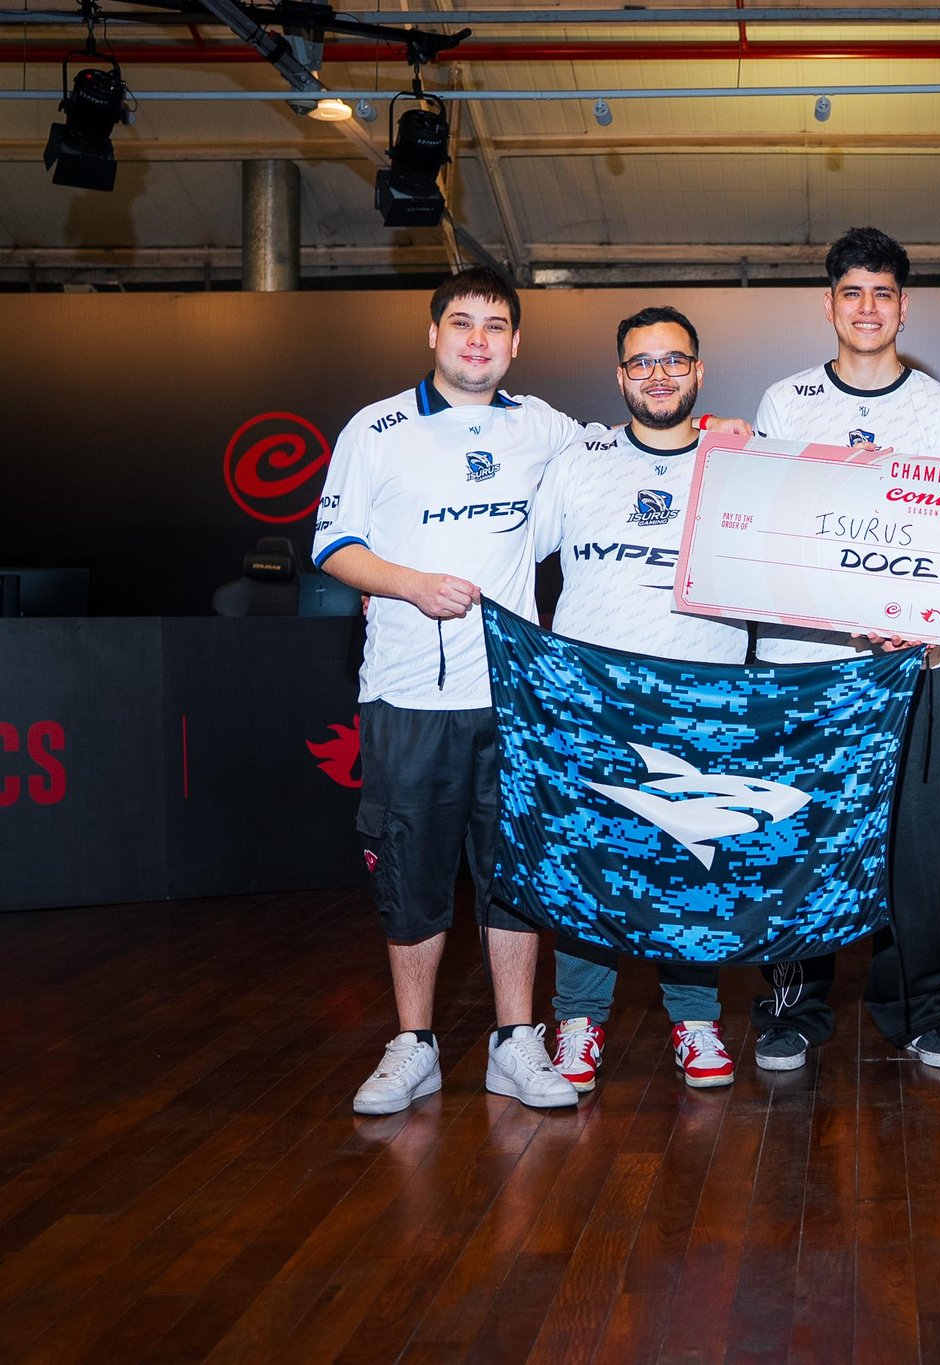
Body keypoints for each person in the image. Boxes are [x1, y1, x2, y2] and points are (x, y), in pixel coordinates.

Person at [313, 268, 742, 1117]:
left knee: (530, 873)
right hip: (411, 692)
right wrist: (405, 583)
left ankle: (518, 1038)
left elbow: (636, 440)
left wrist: (715, 430)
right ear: (433, 333)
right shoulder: (377, 427)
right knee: (415, 876)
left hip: (519, 697)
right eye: (461, 322)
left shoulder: (548, 430)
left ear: (516, 343)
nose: (477, 339)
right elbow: (332, 546)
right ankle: (415, 1043)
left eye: (495, 325)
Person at [747, 226, 940, 1073]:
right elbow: (774, 530)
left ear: (904, 308)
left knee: (912, 852)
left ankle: (920, 1010)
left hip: (912, 664)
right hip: (804, 665)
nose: (868, 308)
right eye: (853, 292)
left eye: (883, 293)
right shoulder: (786, 402)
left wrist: (917, 619)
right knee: (797, 841)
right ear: (830, 304)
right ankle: (791, 1010)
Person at [532, 306, 749, 1093]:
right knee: (589, 860)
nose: (659, 375)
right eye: (641, 363)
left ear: (699, 370)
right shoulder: (580, 459)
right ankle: (578, 1021)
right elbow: (510, 554)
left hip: (703, 696)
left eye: (674, 360)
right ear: (620, 376)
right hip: (592, 695)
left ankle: (694, 1020)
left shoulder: (739, 461)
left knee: (690, 859)